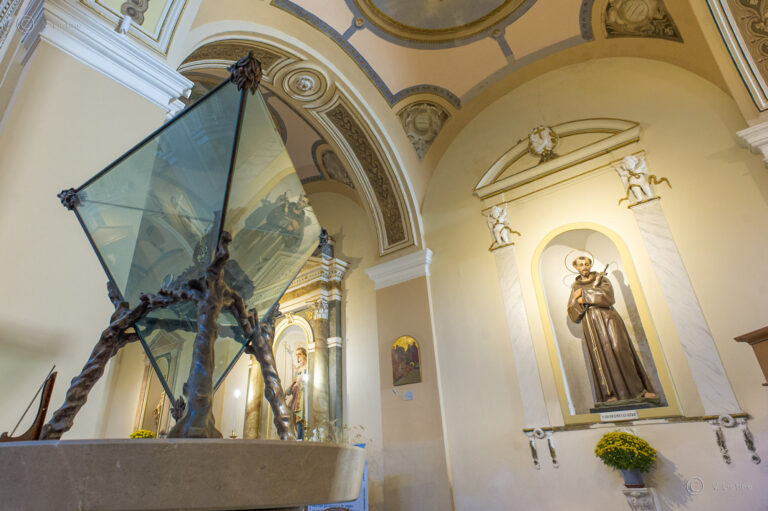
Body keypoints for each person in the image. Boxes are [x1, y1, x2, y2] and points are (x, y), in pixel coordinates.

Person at [567, 256, 657, 406]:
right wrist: (579, 302)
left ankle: (639, 391)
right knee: (600, 357)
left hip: (608, 317)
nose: (584, 267)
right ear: (576, 268)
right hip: (591, 323)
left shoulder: (602, 279)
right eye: (581, 265)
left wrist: (584, 295)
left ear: (590, 265)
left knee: (620, 349)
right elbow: (572, 312)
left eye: (587, 264)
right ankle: (609, 394)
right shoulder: (575, 286)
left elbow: (608, 297)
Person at [285, 347, 308, 439]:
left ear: (305, 355)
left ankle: (301, 438)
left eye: (299, 354)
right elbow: (294, 383)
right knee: (293, 416)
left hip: (302, 395)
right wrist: (287, 392)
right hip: (296, 395)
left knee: (300, 416)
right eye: (296, 355)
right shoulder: (298, 369)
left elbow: (306, 382)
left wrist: (300, 382)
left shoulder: (307, 367)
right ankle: (297, 436)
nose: (298, 357)